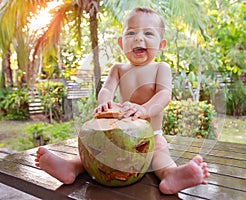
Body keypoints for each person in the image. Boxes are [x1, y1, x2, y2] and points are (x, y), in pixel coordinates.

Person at [35, 7, 209, 195]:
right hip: (117, 134)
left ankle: (170, 174)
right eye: (131, 32)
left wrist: (144, 110)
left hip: (151, 135)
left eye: (148, 33)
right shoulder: (118, 68)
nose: (138, 38)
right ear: (121, 42)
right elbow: (107, 88)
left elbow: (164, 95)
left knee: (159, 153)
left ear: (161, 45)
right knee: (96, 153)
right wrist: (104, 102)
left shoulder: (161, 67)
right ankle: (71, 167)